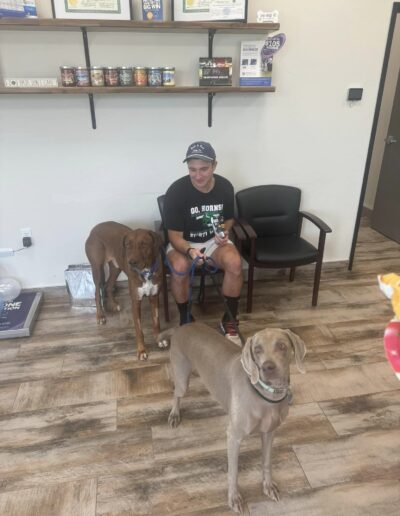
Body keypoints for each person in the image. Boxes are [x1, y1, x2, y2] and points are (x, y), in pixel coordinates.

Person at [164, 141, 243, 344]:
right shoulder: (176, 191)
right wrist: (190, 250)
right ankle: (185, 319)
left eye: (204, 169)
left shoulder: (225, 186)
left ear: (214, 166)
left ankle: (230, 320)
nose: (198, 176)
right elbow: (173, 235)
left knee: (235, 263)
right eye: (192, 170)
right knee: (179, 266)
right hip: (184, 241)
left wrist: (224, 231)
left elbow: (229, 218)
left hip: (213, 240)